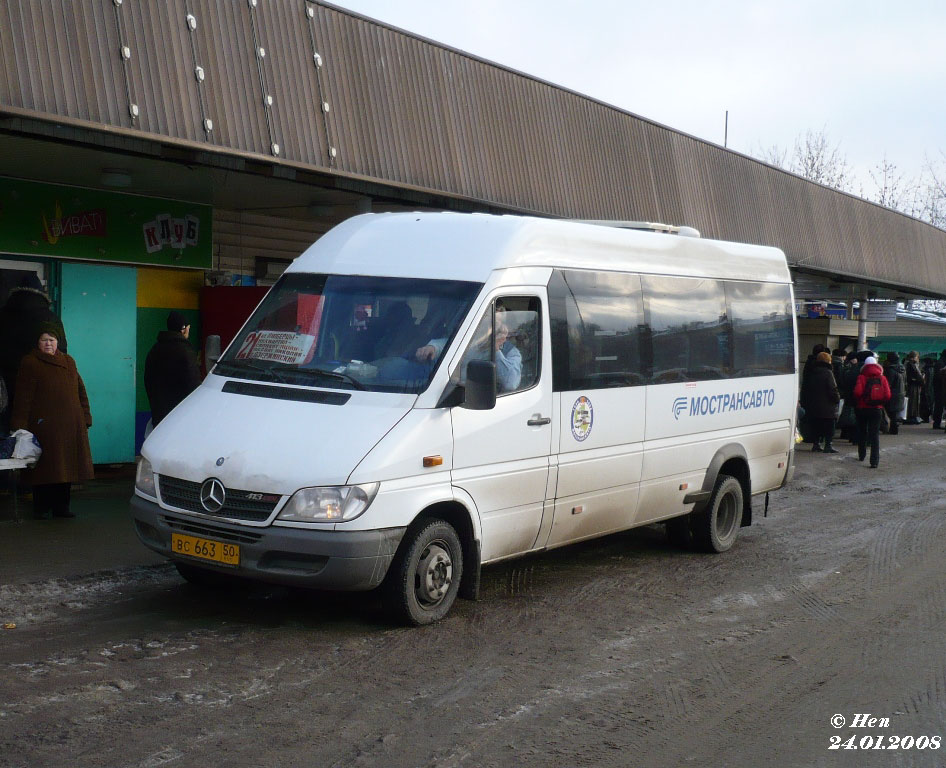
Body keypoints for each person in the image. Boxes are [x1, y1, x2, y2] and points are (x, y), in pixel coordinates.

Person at [9, 323, 93, 518]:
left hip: (71, 424)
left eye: (52, 340)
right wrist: (19, 424)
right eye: (44, 340)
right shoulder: (30, 362)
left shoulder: (69, 361)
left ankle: (61, 508)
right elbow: (23, 396)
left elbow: (80, 389)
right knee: (45, 469)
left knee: (67, 468)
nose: (48, 344)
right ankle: (41, 507)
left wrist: (86, 416)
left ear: (58, 343)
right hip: (43, 425)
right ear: (38, 343)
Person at [418, 311, 522, 392]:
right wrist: (432, 347)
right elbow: (447, 345)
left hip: (481, 403)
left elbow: (511, 383)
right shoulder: (470, 341)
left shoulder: (511, 353)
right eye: (487, 321)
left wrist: (496, 350)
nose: (489, 328)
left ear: (505, 329)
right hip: (449, 392)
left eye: (495, 324)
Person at [144, 311, 201, 427]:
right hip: (179, 419)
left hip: (158, 416)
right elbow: (194, 387)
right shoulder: (186, 352)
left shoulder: (154, 350)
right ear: (183, 329)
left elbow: (148, 381)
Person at [853, 355, 891, 469]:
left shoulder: (861, 377)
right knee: (874, 435)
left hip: (862, 408)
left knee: (862, 431)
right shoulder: (882, 377)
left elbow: (857, 392)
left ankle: (862, 454)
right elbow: (888, 395)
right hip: (877, 409)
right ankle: (874, 461)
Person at [806, 351, 841, 453]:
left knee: (816, 425)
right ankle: (828, 445)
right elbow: (832, 388)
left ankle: (816, 444)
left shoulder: (812, 371)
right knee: (829, 426)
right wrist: (837, 398)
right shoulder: (828, 373)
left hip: (814, 404)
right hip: (828, 405)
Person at [882, 352, 905, 435]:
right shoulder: (902, 369)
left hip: (892, 393)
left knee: (890, 413)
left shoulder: (890, 370)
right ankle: (894, 428)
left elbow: (889, 383)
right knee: (894, 413)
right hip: (900, 392)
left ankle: (892, 429)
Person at [904, 350, 925, 425]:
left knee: (913, 400)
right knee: (913, 401)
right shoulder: (912, 364)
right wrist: (922, 379)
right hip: (913, 385)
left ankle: (912, 415)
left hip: (912, 384)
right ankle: (912, 416)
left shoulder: (908, 364)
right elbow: (917, 374)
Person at [933, 349, 946, 429]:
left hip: (939, 388)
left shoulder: (940, 362)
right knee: (939, 406)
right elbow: (939, 376)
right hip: (941, 388)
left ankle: (937, 423)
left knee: (939, 406)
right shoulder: (941, 363)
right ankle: (937, 423)